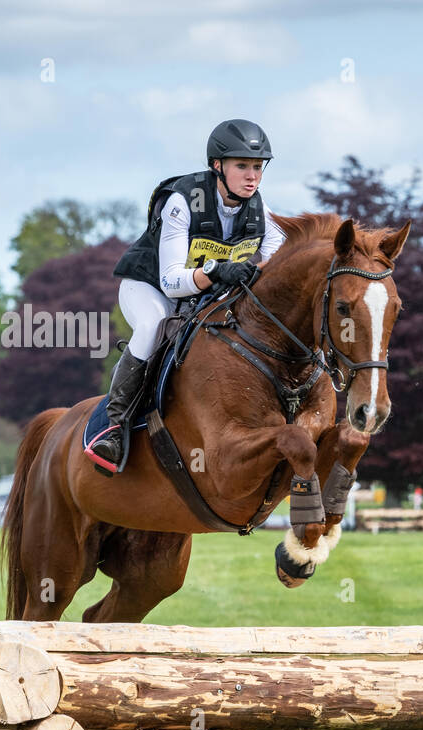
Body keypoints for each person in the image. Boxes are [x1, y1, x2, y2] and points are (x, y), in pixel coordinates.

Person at [86, 119, 287, 473]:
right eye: (242, 165)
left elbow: (277, 260)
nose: (252, 175)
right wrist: (216, 270)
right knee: (153, 325)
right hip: (150, 288)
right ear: (217, 166)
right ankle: (113, 428)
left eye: (257, 166)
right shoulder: (182, 200)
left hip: (200, 298)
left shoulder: (259, 208)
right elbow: (172, 281)